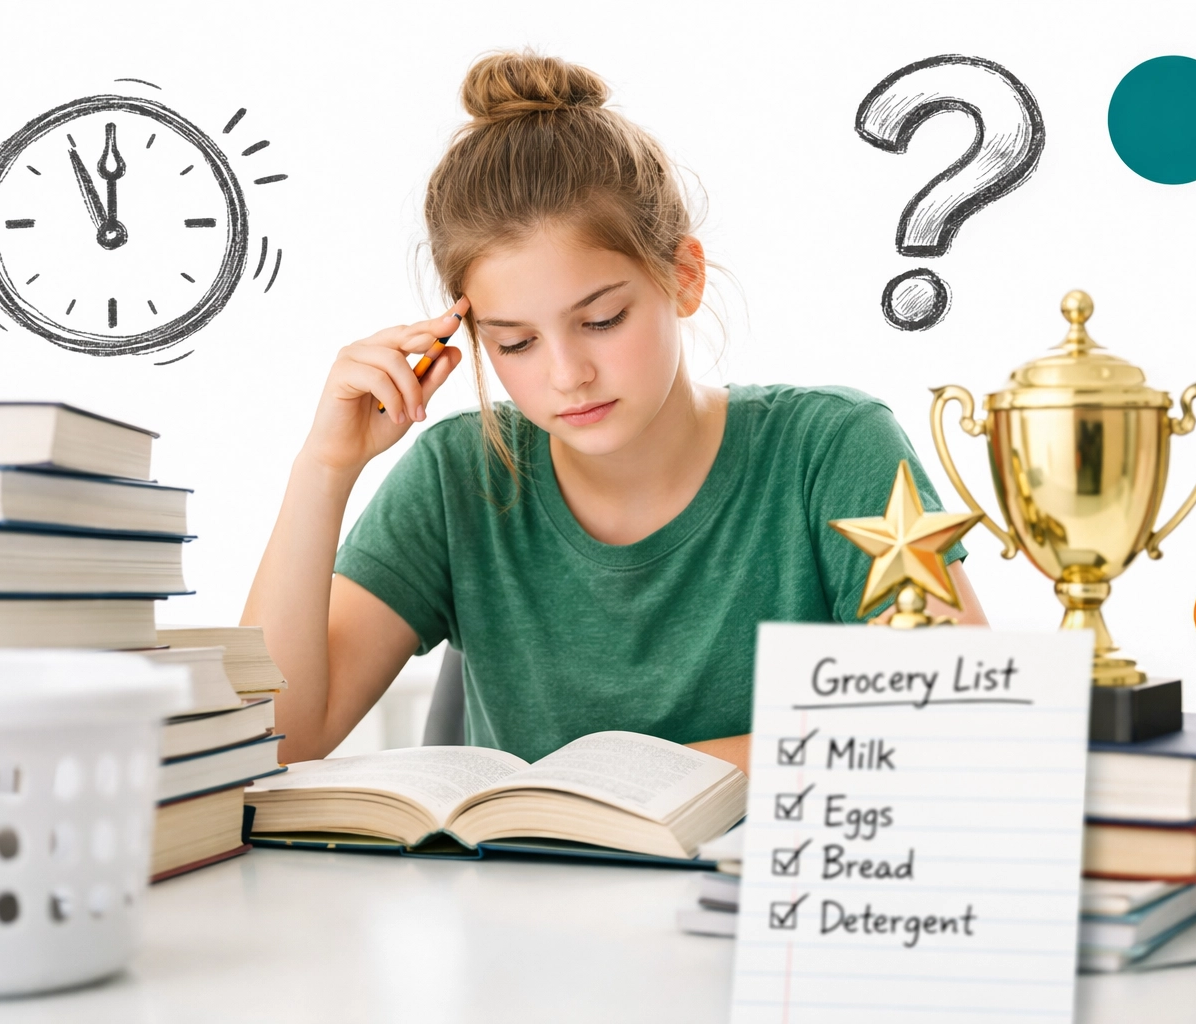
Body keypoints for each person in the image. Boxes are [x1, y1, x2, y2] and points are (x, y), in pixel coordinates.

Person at [242, 50, 985, 774]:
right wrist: (325, 467)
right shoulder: (459, 474)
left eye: (601, 321)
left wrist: (644, 783)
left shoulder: (831, 450)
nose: (569, 375)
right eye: (517, 343)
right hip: (519, 900)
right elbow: (270, 741)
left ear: (683, 277)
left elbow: (957, 721)